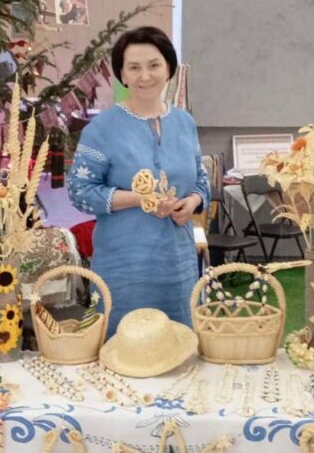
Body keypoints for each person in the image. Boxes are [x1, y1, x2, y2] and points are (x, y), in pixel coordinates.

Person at [67, 26, 210, 334]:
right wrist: (139, 199)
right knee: (123, 346)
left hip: (178, 265)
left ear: (169, 67)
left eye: (154, 65)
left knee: (178, 343)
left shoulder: (184, 123)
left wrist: (192, 202)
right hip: (124, 267)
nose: (145, 76)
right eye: (134, 67)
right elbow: (80, 192)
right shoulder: (101, 129)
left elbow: (201, 179)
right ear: (122, 74)